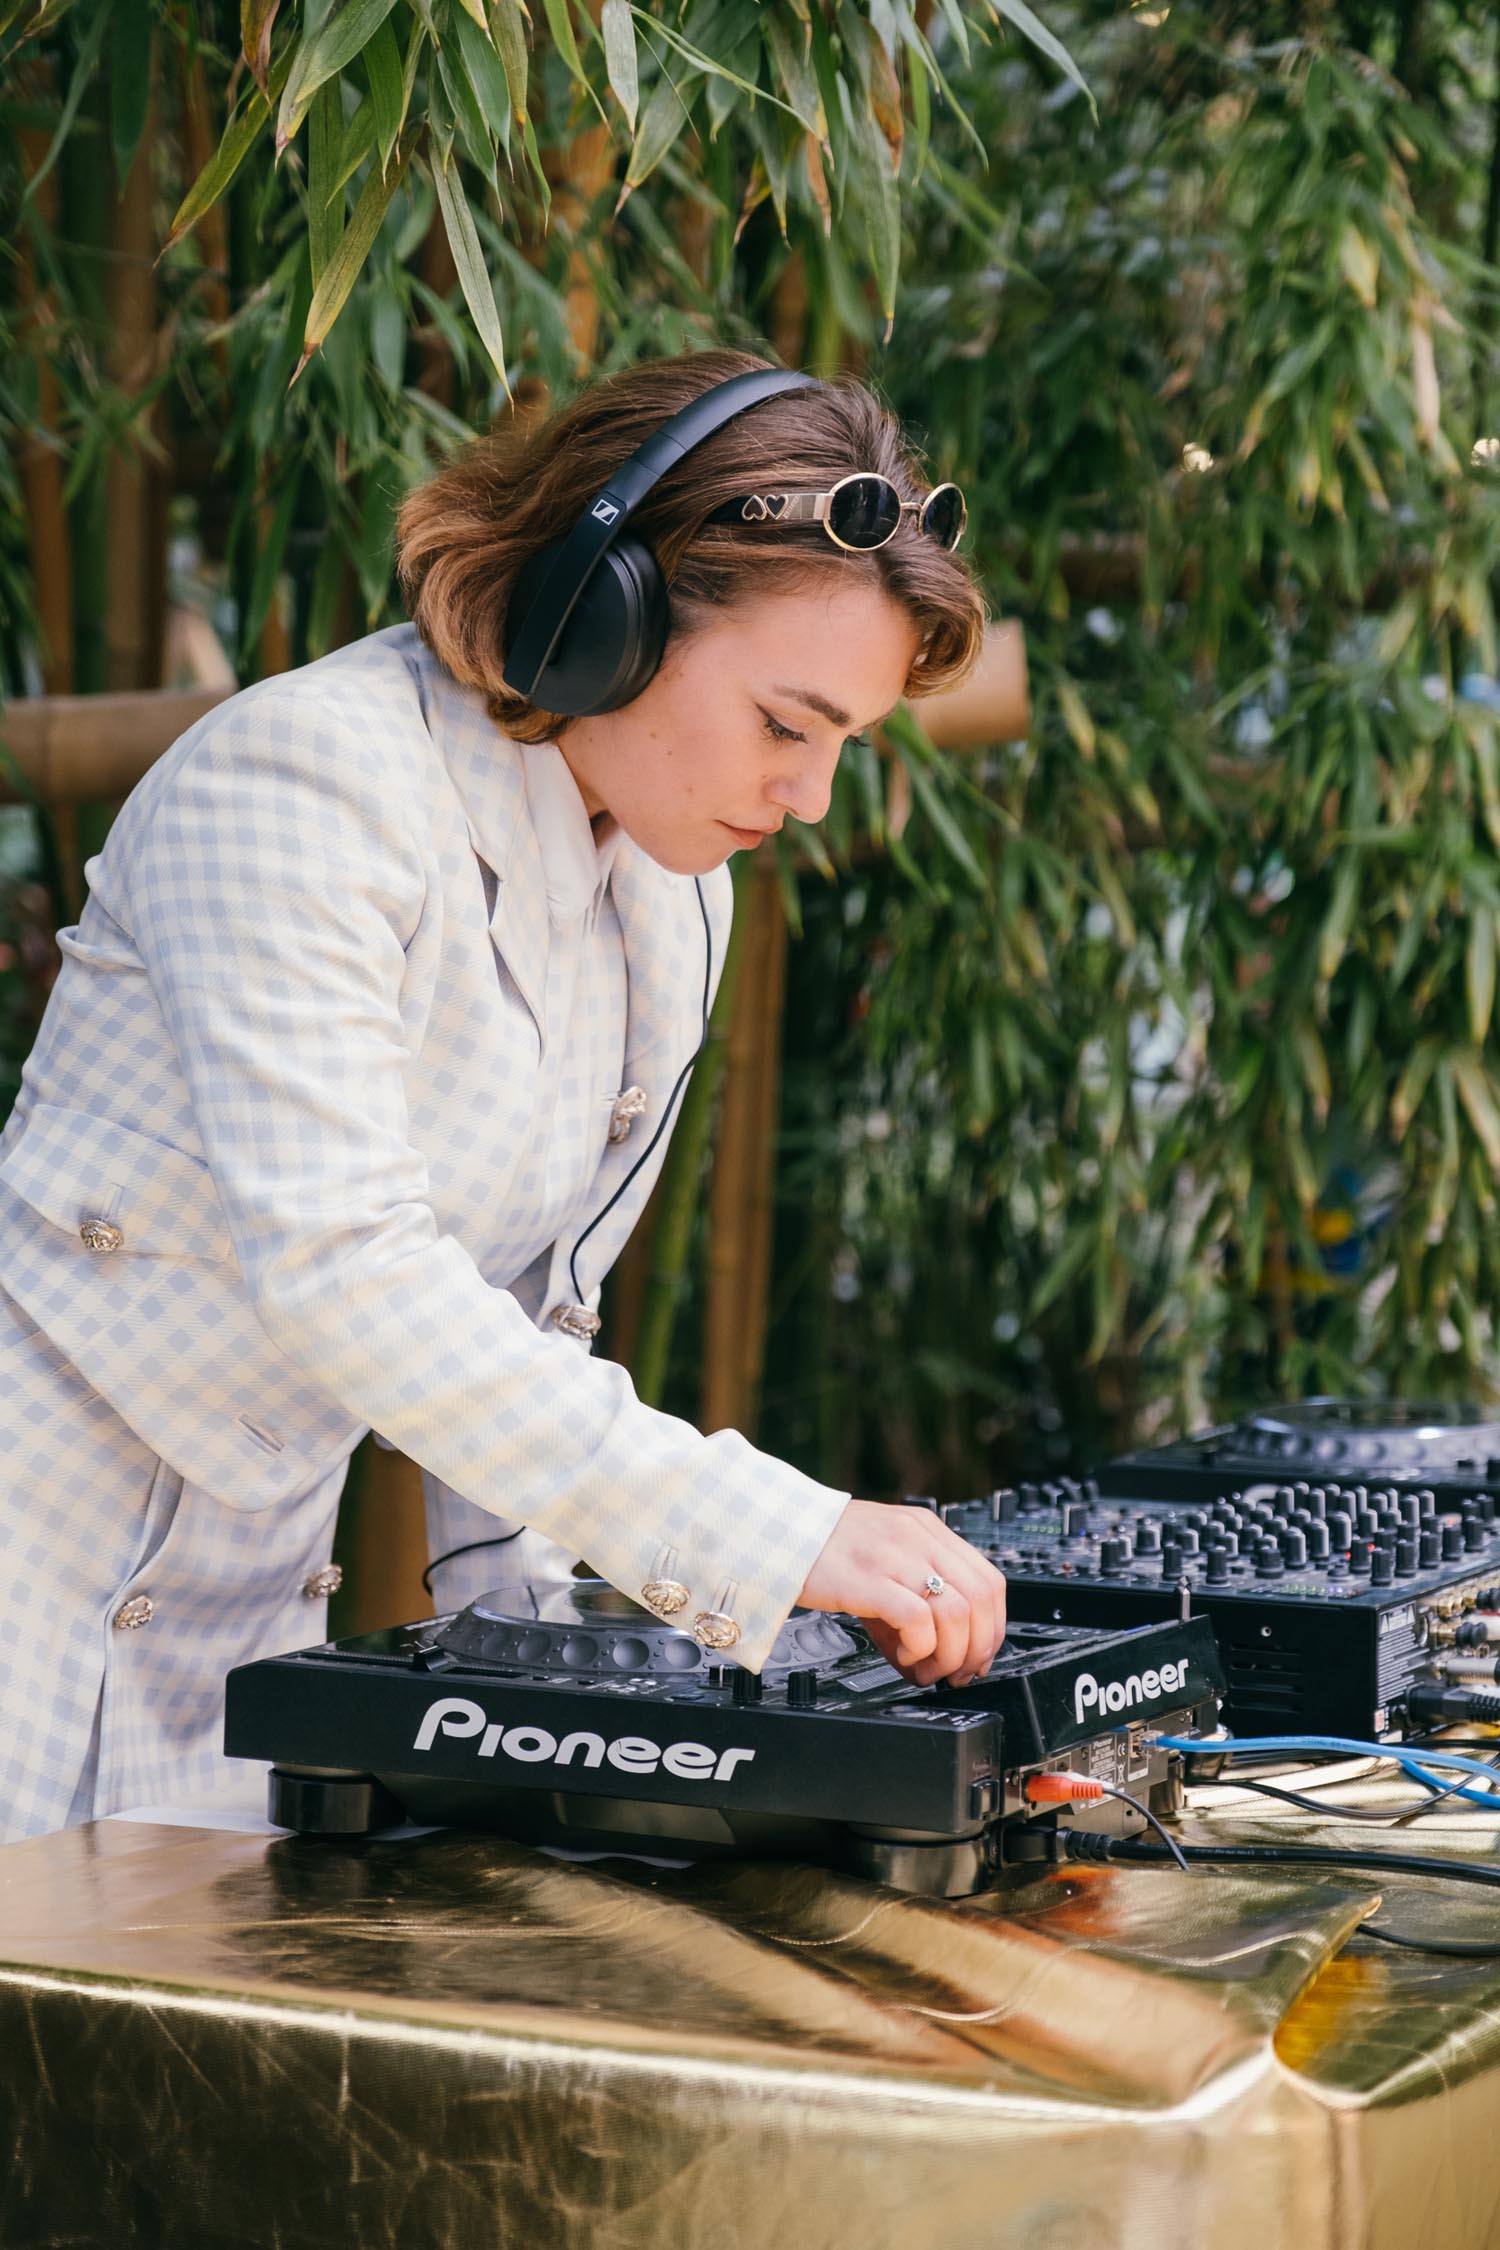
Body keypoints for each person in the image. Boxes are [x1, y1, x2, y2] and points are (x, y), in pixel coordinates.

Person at [0, 347, 1008, 1844]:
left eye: (842, 746)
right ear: (601, 615)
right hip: (34, 1559)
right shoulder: (295, 786)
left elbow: (533, 1323)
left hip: (249, 1616)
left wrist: (550, 1701)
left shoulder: (673, 893)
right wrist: (777, 1532)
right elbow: (356, 1279)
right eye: (787, 726)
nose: (809, 798)